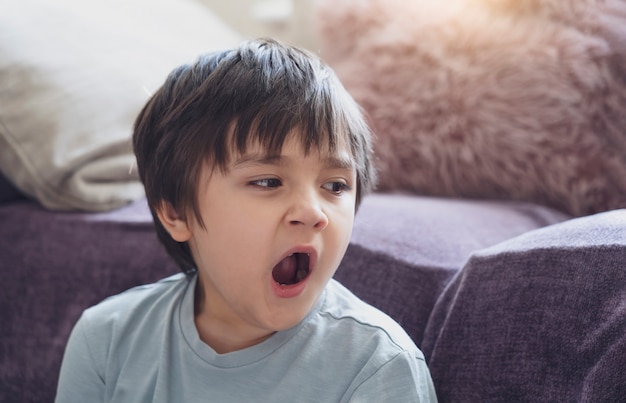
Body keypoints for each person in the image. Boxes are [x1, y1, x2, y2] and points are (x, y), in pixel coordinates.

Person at [55, 38, 438, 402]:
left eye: (335, 186)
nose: (313, 212)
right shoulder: (106, 342)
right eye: (268, 181)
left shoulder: (378, 367)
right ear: (175, 211)